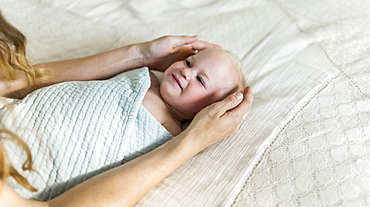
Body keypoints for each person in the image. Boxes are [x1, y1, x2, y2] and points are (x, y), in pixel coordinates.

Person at [0, 11, 254, 206]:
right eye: (188, 62)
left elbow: (17, 82)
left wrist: (140, 53)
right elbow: (28, 84)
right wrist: (137, 60)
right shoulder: (142, 78)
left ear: (210, 109)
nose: (186, 72)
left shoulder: (171, 133)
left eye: (200, 80)